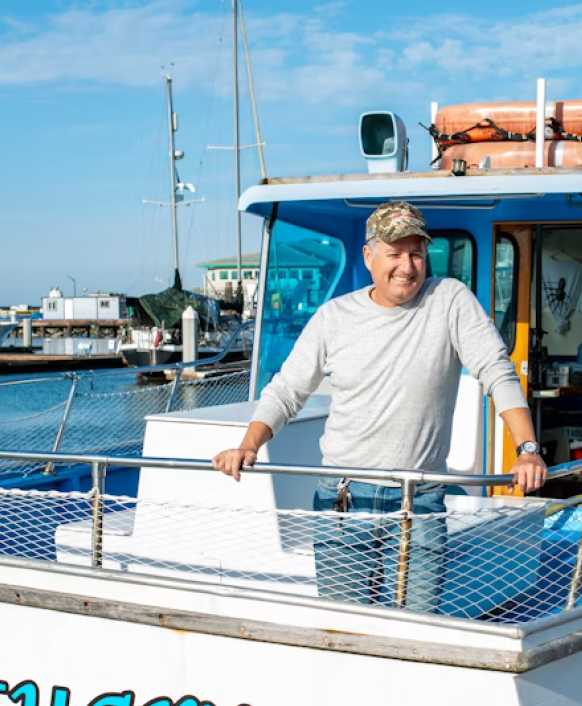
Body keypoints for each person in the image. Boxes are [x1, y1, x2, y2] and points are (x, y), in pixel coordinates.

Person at [213, 200, 546, 612]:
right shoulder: (335, 316)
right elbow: (286, 390)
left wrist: (527, 449)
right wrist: (249, 444)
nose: (407, 266)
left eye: (416, 253)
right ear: (369, 256)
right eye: (395, 253)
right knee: (350, 631)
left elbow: (497, 371)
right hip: (342, 500)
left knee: (415, 629)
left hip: (418, 500)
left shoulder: (450, 300)